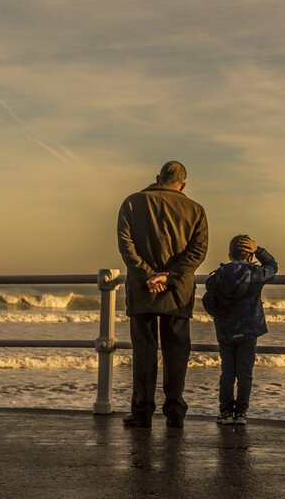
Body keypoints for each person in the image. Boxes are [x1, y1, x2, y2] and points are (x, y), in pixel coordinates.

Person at [117, 161, 208, 428]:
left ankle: (142, 411)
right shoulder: (195, 210)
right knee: (176, 353)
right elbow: (197, 252)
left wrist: (147, 275)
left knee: (144, 352)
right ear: (183, 184)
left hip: (142, 289)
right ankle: (175, 410)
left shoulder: (132, 203)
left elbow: (126, 245)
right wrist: (168, 276)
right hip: (177, 292)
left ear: (157, 177)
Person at [201, 235, 278, 425]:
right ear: (250, 256)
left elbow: (210, 297)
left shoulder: (219, 275)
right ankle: (241, 413)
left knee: (227, 372)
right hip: (249, 329)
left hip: (226, 330)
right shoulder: (255, 273)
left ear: (229, 254)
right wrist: (259, 249)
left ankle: (226, 412)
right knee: (245, 373)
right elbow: (273, 266)